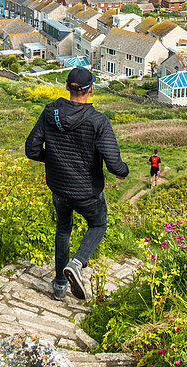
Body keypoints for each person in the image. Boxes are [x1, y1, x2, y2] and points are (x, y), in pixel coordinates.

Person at [25, 66, 129, 302]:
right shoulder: (98, 121)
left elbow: (31, 150)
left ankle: (60, 286)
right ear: (90, 89)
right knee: (98, 224)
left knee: (63, 229)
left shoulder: (50, 112)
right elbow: (113, 163)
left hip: (59, 187)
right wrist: (123, 172)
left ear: (66, 87)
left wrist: (52, 159)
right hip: (87, 190)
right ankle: (77, 263)